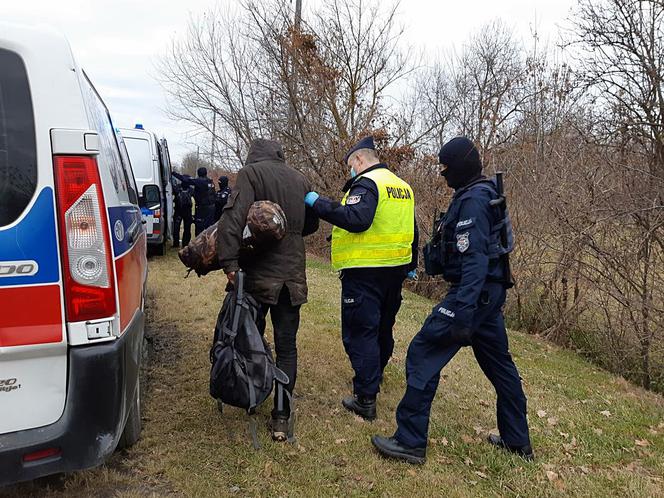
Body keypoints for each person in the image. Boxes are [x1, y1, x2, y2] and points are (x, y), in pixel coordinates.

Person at [371, 137, 533, 465]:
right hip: (487, 296)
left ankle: (410, 441)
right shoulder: (479, 193)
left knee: (422, 352)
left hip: (472, 294)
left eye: (445, 168)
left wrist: (462, 311)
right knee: (500, 367)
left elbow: (474, 259)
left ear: (459, 167)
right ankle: (517, 441)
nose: (442, 174)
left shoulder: (474, 200)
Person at [305, 136, 418, 421]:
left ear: (358, 160)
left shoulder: (368, 183)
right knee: (382, 328)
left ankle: (365, 398)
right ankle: (374, 376)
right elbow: (413, 230)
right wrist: (412, 263)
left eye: (350, 166)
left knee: (360, 332)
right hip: (395, 270)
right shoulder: (402, 186)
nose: (350, 171)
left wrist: (318, 203)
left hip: (365, 272)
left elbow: (357, 219)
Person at [217, 138, 319, 441]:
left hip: (257, 275)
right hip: (292, 275)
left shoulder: (251, 174)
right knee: (287, 346)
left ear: (253, 155)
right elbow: (312, 224)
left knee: (252, 340)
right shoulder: (301, 179)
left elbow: (232, 219)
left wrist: (229, 263)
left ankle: (252, 395)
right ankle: (281, 419)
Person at [172, 167, 216, 235]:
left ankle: (199, 243)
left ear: (199, 174)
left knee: (199, 227)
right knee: (209, 227)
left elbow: (185, 180)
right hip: (211, 208)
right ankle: (208, 243)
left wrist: (173, 173)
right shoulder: (210, 181)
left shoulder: (200, 181)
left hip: (202, 208)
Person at [172, 176, 193, 248]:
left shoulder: (177, 187)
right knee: (187, 228)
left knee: (176, 228)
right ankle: (185, 243)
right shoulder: (191, 189)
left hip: (178, 210)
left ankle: (176, 243)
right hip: (187, 211)